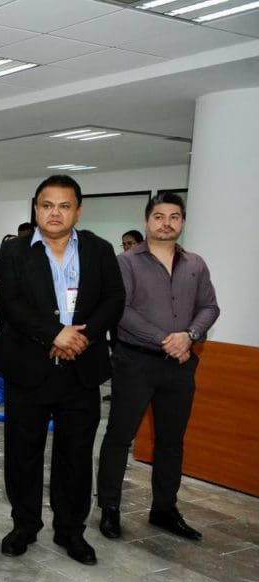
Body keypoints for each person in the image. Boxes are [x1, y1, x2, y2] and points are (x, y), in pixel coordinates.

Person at [0, 175, 124, 566]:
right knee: (23, 454)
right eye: (47, 205)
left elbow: (114, 299)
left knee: (76, 455)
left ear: (78, 211)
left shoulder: (100, 250)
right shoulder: (14, 251)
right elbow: (10, 303)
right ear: (36, 209)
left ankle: (71, 531)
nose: (55, 213)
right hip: (28, 369)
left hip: (81, 370)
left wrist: (82, 336)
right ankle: (24, 525)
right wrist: (55, 333)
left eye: (64, 206)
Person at [96, 193, 219, 541]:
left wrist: (189, 336)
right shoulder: (126, 262)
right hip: (135, 362)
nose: (167, 223)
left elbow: (210, 307)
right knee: (119, 437)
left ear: (182, 222)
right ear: (148, 220)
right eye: (159, 216)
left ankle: (164, 509)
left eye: (174, 217)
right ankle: (109, 508)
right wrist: (166, 339)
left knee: (171, 441)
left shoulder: (195, 264)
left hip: (180, 366)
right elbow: (121, 309)